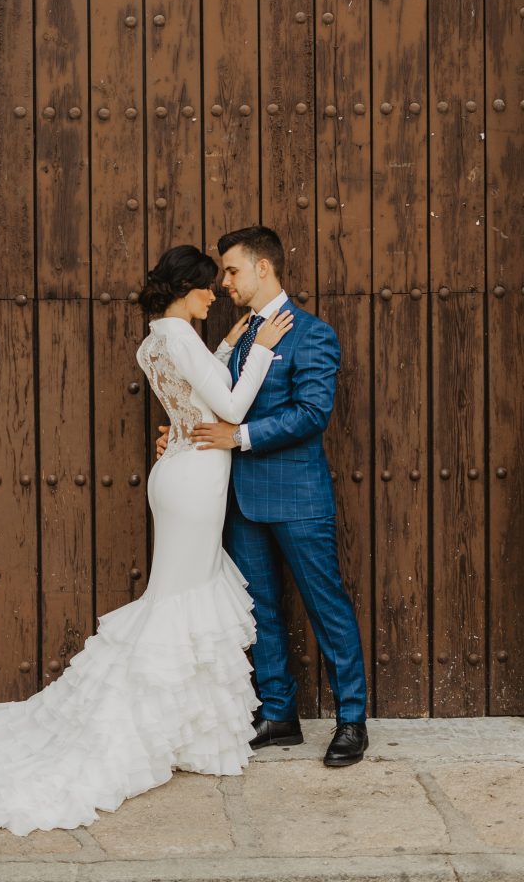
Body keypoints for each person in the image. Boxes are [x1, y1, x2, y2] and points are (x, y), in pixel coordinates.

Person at [0, 243, 294, 836]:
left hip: (179, 472)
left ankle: (184, 731)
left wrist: (221, 346)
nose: (215, 294)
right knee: (177, 604)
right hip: (196, 480)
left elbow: (193, 390)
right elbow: (232, 404)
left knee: (179, 594)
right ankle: (138, 731)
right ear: (187, 288)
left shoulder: (157, 338)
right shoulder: (181, 338)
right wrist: (259, 353)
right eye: (207, 286)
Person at [158, 227, 368, 767]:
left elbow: (311, 413)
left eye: (231, 270)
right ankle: (279, 716)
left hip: (298, 498)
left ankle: (352, 720)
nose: (224, 281)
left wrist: (240, 437)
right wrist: (181, 431)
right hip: (239, 499)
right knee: (261, 610)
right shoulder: (238, 336)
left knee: (327, 607)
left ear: (263, 270)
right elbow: (214, 403)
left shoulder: (312, 334)